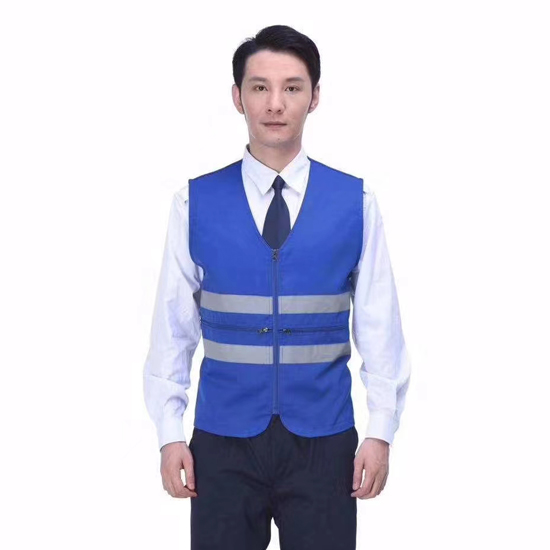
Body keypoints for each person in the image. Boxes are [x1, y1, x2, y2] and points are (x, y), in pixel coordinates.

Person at [143, 24, 411, 550]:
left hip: (324, 442)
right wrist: (169, 434)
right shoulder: (193, 203)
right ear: (237, 97)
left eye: (292, 87)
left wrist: (380, 430)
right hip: (222, 442)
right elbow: (171, 329)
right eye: (260, 87)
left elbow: (380, 325)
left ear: (315, 97)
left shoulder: (356, 203)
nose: (274, 103)